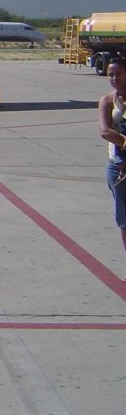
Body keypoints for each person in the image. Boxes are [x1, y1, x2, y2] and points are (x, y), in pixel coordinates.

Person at [98, 55, 126, 271]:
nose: (115, 78)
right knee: (124, 217)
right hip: (119, 165)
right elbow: (105, 131)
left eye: (119, 73)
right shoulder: (108, 100)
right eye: (111, 75)